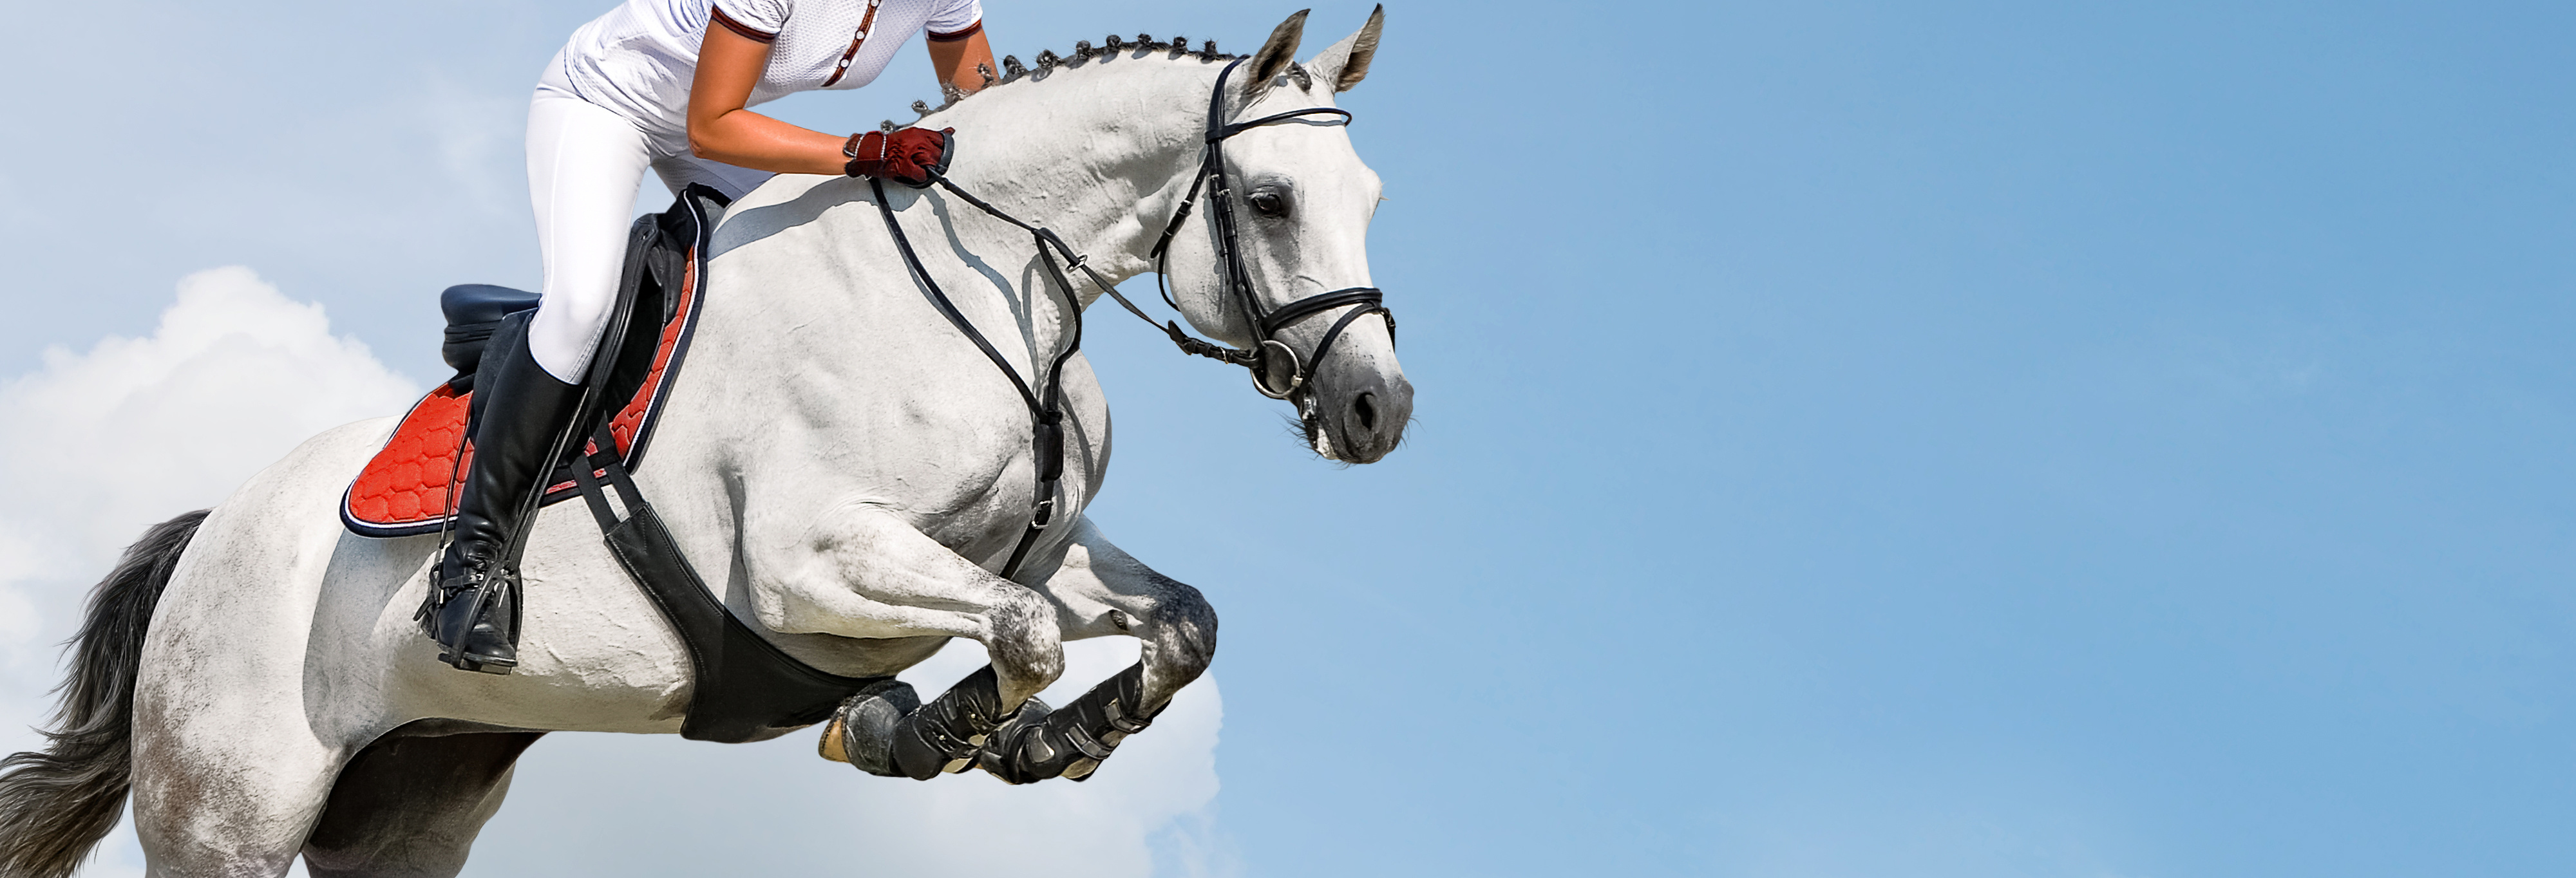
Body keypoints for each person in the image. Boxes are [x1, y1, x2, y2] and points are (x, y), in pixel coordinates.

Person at [428, 0, 998, 673]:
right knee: (581, 307)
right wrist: (860, 152)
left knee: (840, 251)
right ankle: (470, 568)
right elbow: (712, 126)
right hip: (607, 105)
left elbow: (986, 108)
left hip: (713, 123)